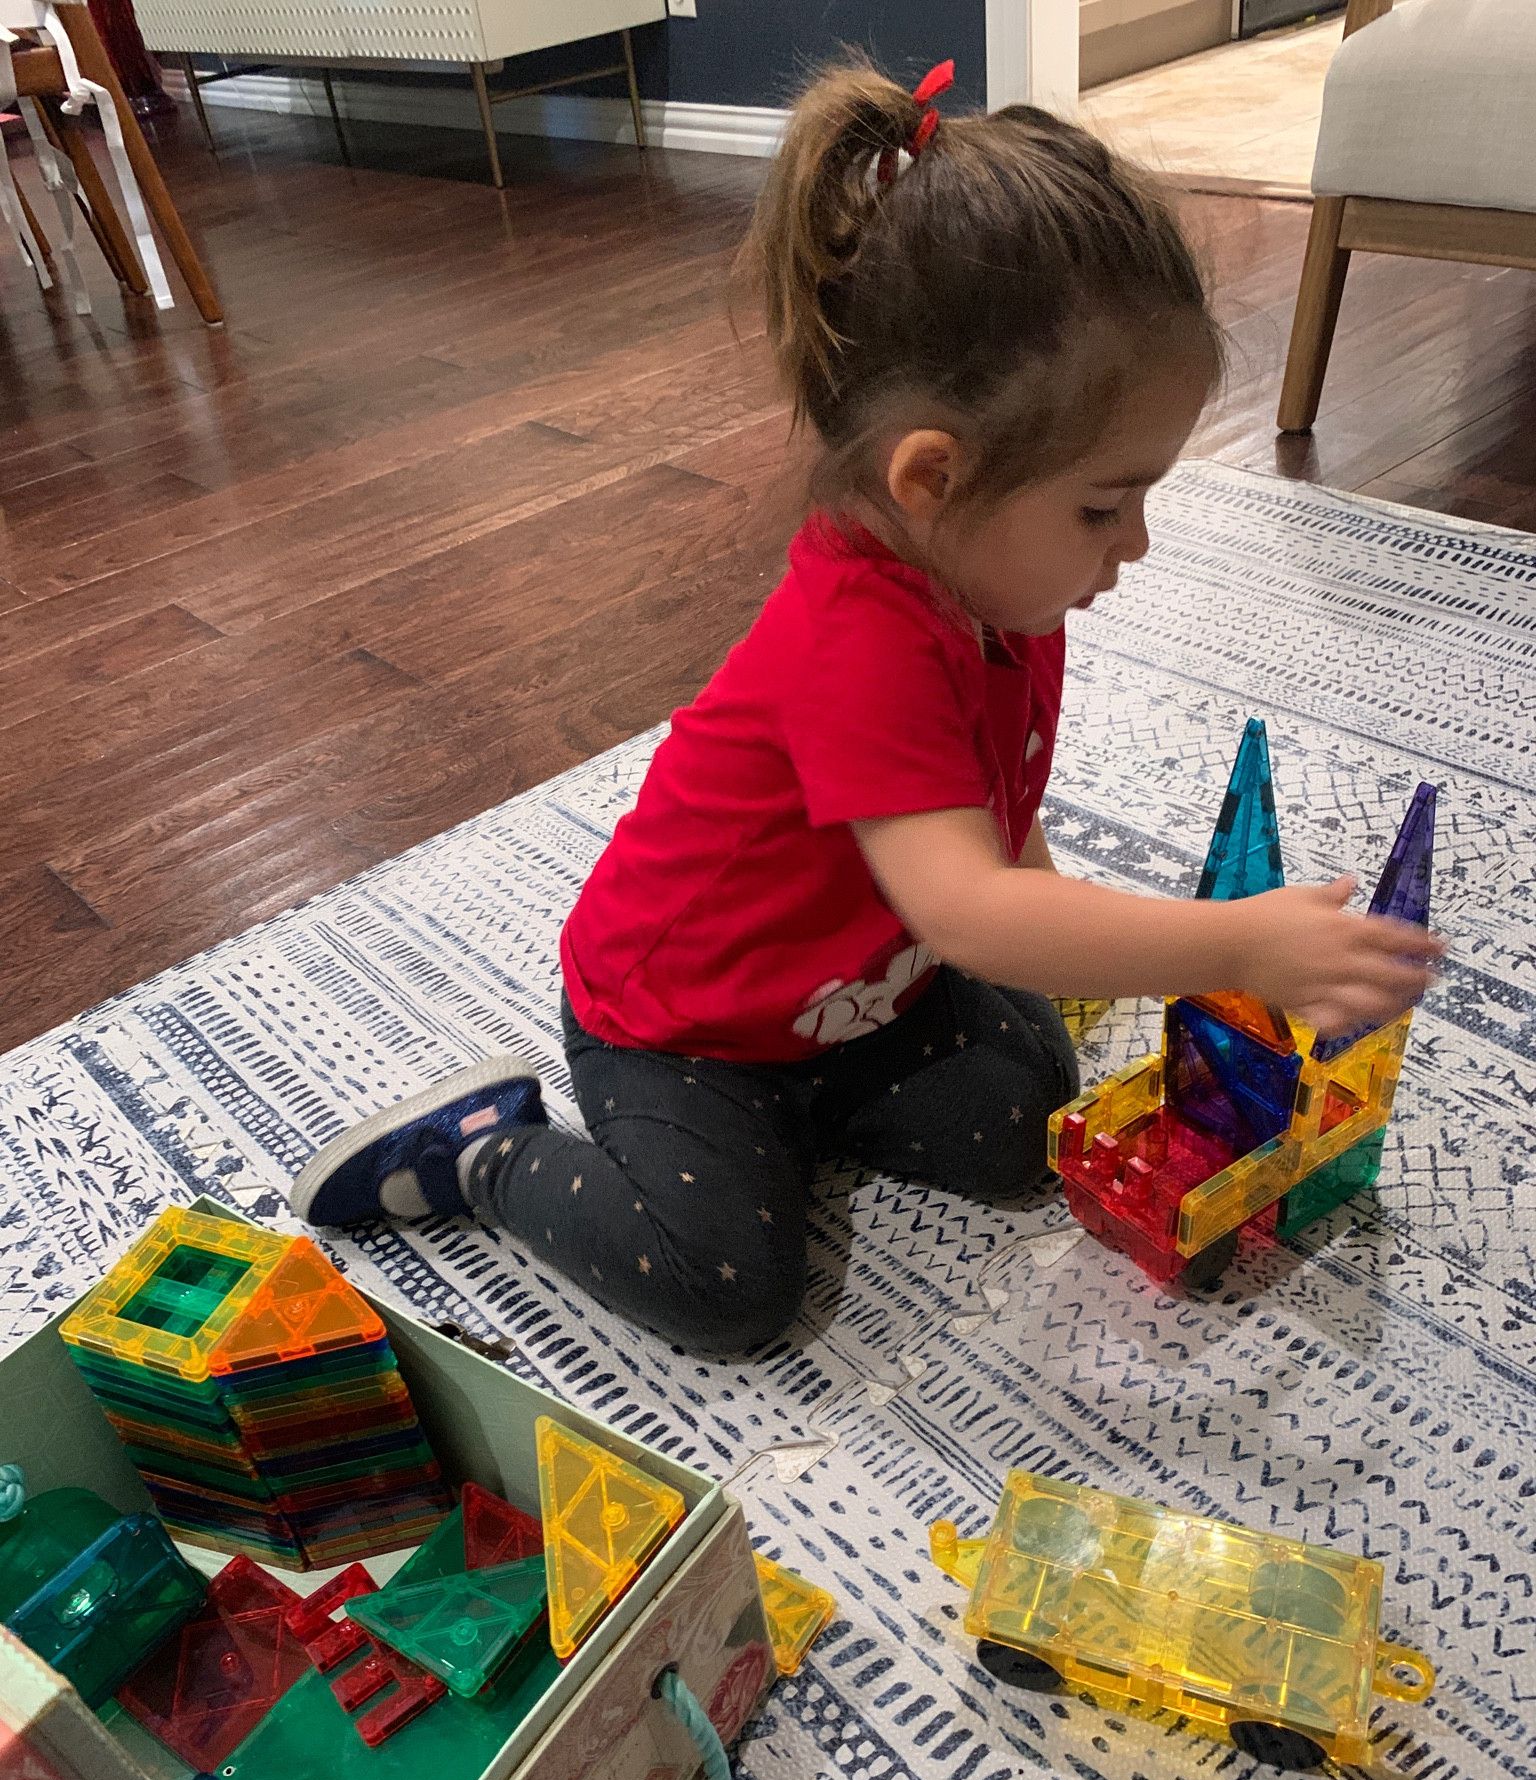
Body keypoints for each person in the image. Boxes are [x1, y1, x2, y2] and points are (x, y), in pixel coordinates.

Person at [291, 60, 1439, 1352]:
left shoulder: (1004, 594)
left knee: (1030, 1119)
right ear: (934, 480)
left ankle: (810, 1117)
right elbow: (971, 907)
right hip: (686, 1027)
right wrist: (1228, 947)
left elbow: (1001, 823)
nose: (1138, 547)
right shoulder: (857, 639)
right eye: (1104, 505)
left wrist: (1055, 942)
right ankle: (486, 1156)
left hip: (848, 1001)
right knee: (727, 1288)